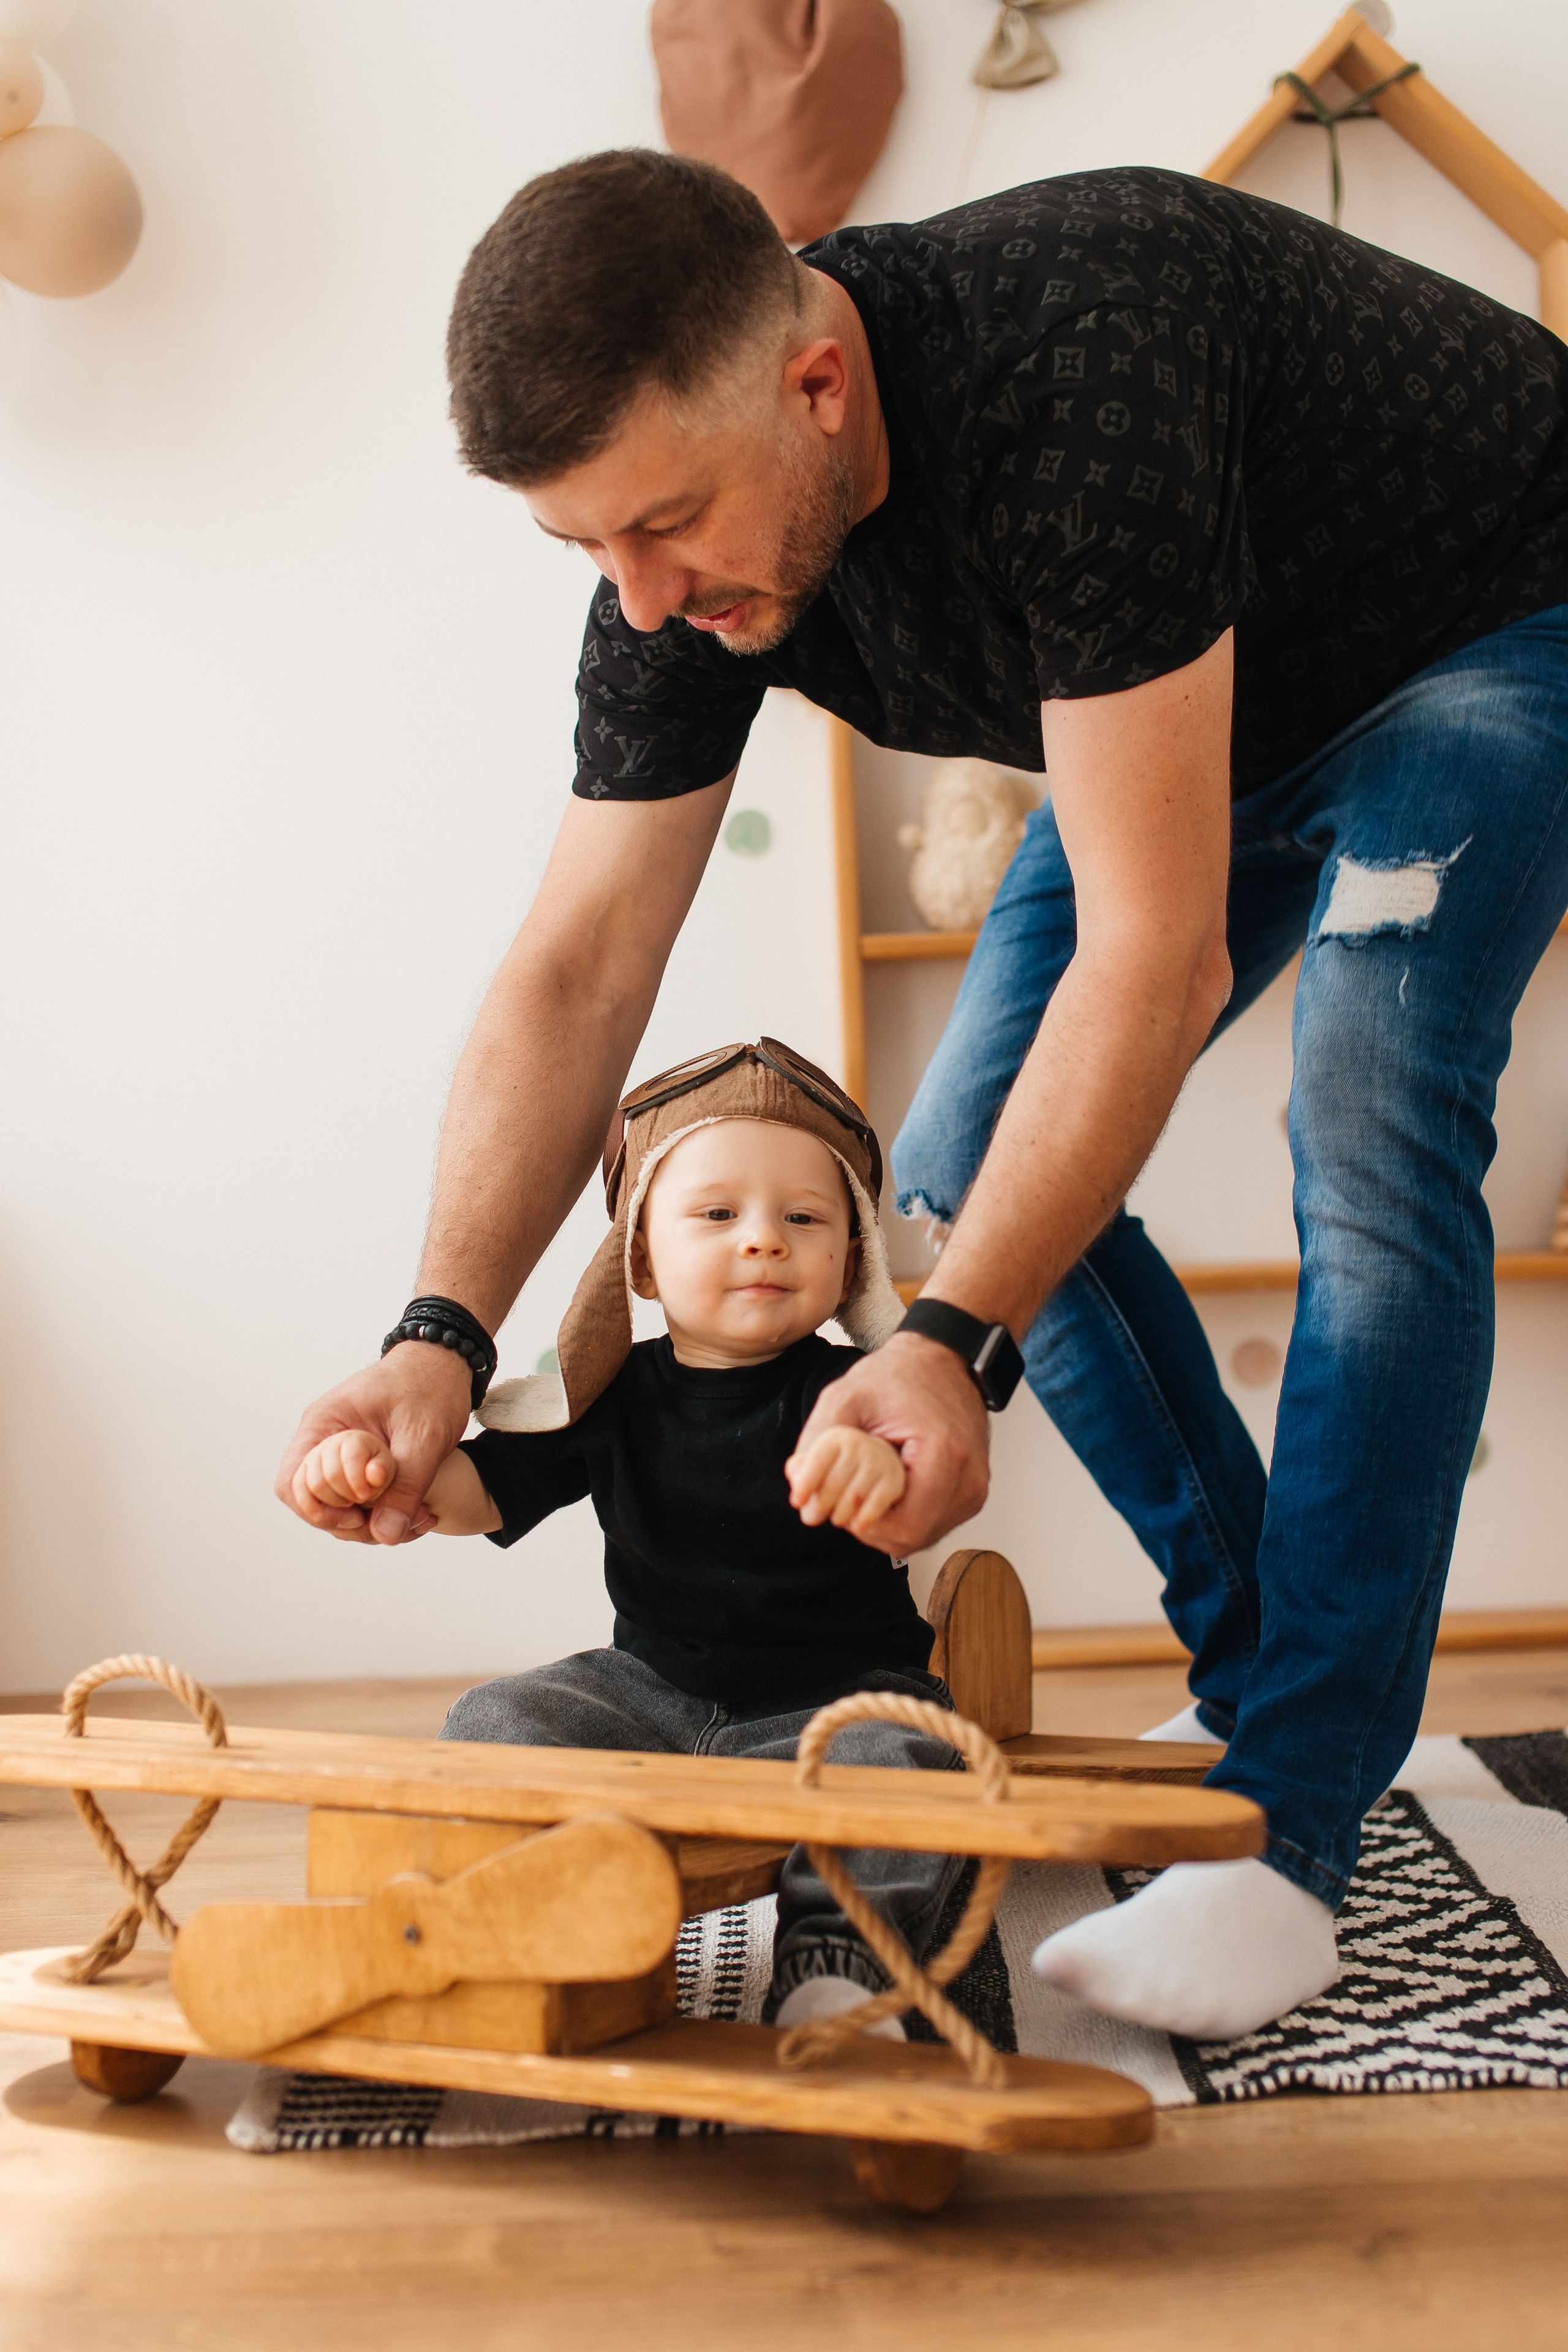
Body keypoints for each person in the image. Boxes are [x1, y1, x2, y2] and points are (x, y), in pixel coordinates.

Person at [278, 151, 1568, 2039]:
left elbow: (1157, 956)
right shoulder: (676, 572)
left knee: (1371, 1125)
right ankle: (1259, 1671)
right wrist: (436, 1337)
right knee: (954, 1189)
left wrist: (949, 1349)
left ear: (815, 383)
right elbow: (577, 967)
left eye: (665, 526)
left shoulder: (1077, 365)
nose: (640, 598)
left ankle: (1293, 1831)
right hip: (1206, 696)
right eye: (587, 554)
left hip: (1487, 625)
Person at [292, 1041, 1008, 2040]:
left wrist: (880, 1469)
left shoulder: (855, 1391)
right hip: (650, 1696)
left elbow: (913, 1458)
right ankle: (544, 1919)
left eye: (803, 1219)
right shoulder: (608, 1395)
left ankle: (841, 1966)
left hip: (837, 1702)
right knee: (496, 1715)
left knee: (907, 1766)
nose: (762, 1240)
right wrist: (381, 1474)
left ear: (852, 1259)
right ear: (639, 1255)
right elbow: (480, 1491)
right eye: (717, 1215)